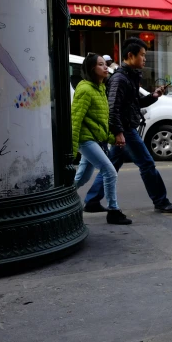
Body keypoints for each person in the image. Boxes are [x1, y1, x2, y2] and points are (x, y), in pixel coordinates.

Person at [83, 38, 172, 213]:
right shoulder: (120, 79)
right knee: (147, 164)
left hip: (126, 128)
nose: (144, 59)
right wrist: (119, 133)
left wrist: (153, 96)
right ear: (130, 55)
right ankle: (160, 201)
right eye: (142, 55)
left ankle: (92, 200)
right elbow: (113, 109)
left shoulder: (130, 76)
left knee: (111, 166)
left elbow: (134, 104)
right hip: (126, 129)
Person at [72, 53, 132, 225]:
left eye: (105, 64)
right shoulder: (84, 90)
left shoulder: (100, 88)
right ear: (92, 69)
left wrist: (112, 138)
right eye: (100, 64)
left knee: (82, 178)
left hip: (96, 139)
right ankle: (113, 211)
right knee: (110, 171)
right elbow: (75, 120)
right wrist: (71, 149)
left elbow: (100, 121)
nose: (106, 67)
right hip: (86, 140)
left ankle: (62, 197)